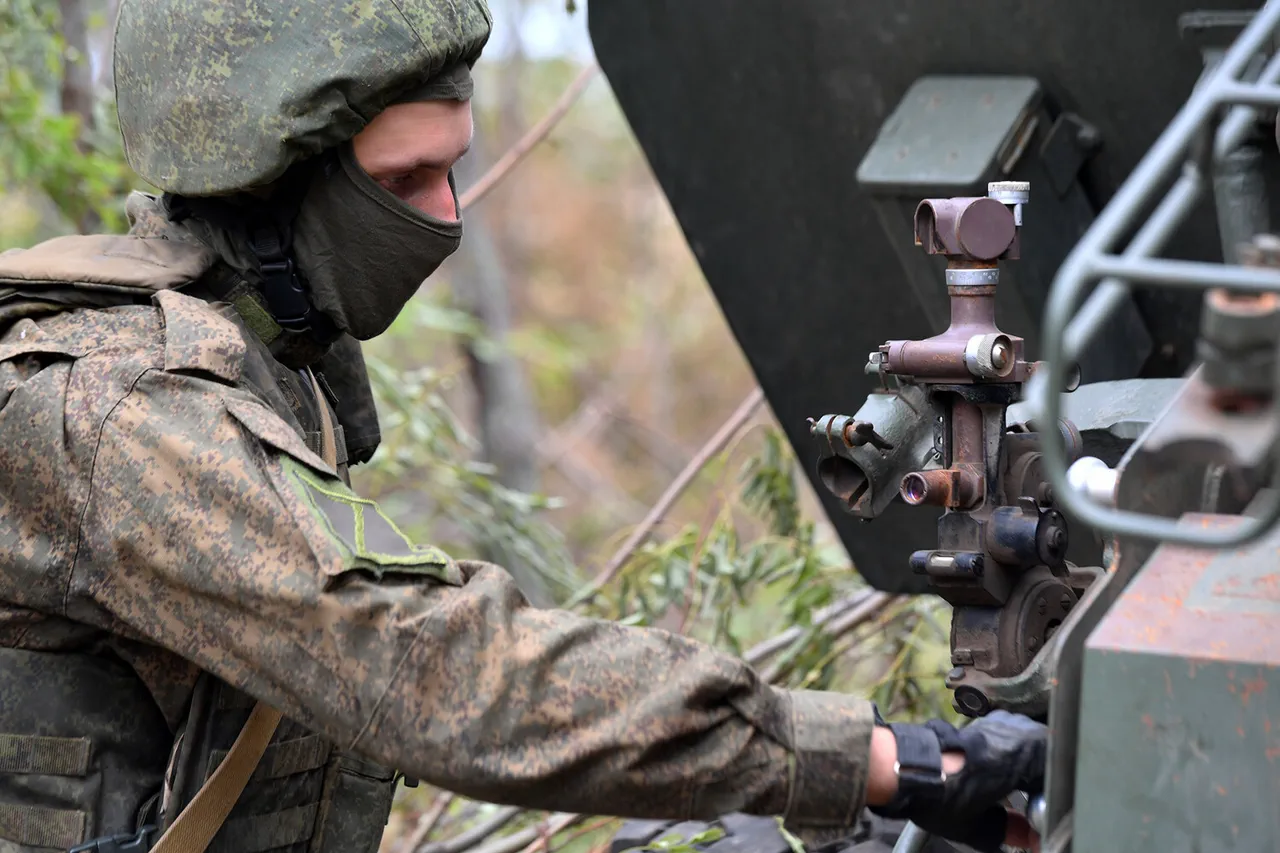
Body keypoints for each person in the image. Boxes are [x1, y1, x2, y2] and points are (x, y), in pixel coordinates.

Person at [0, 2, 1045, 853]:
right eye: (402, 181)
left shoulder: (270, 355)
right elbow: (432, 669)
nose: (446, 218)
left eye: (450, 168)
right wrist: (877, 759)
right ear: (268, 191)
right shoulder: (123, 408)